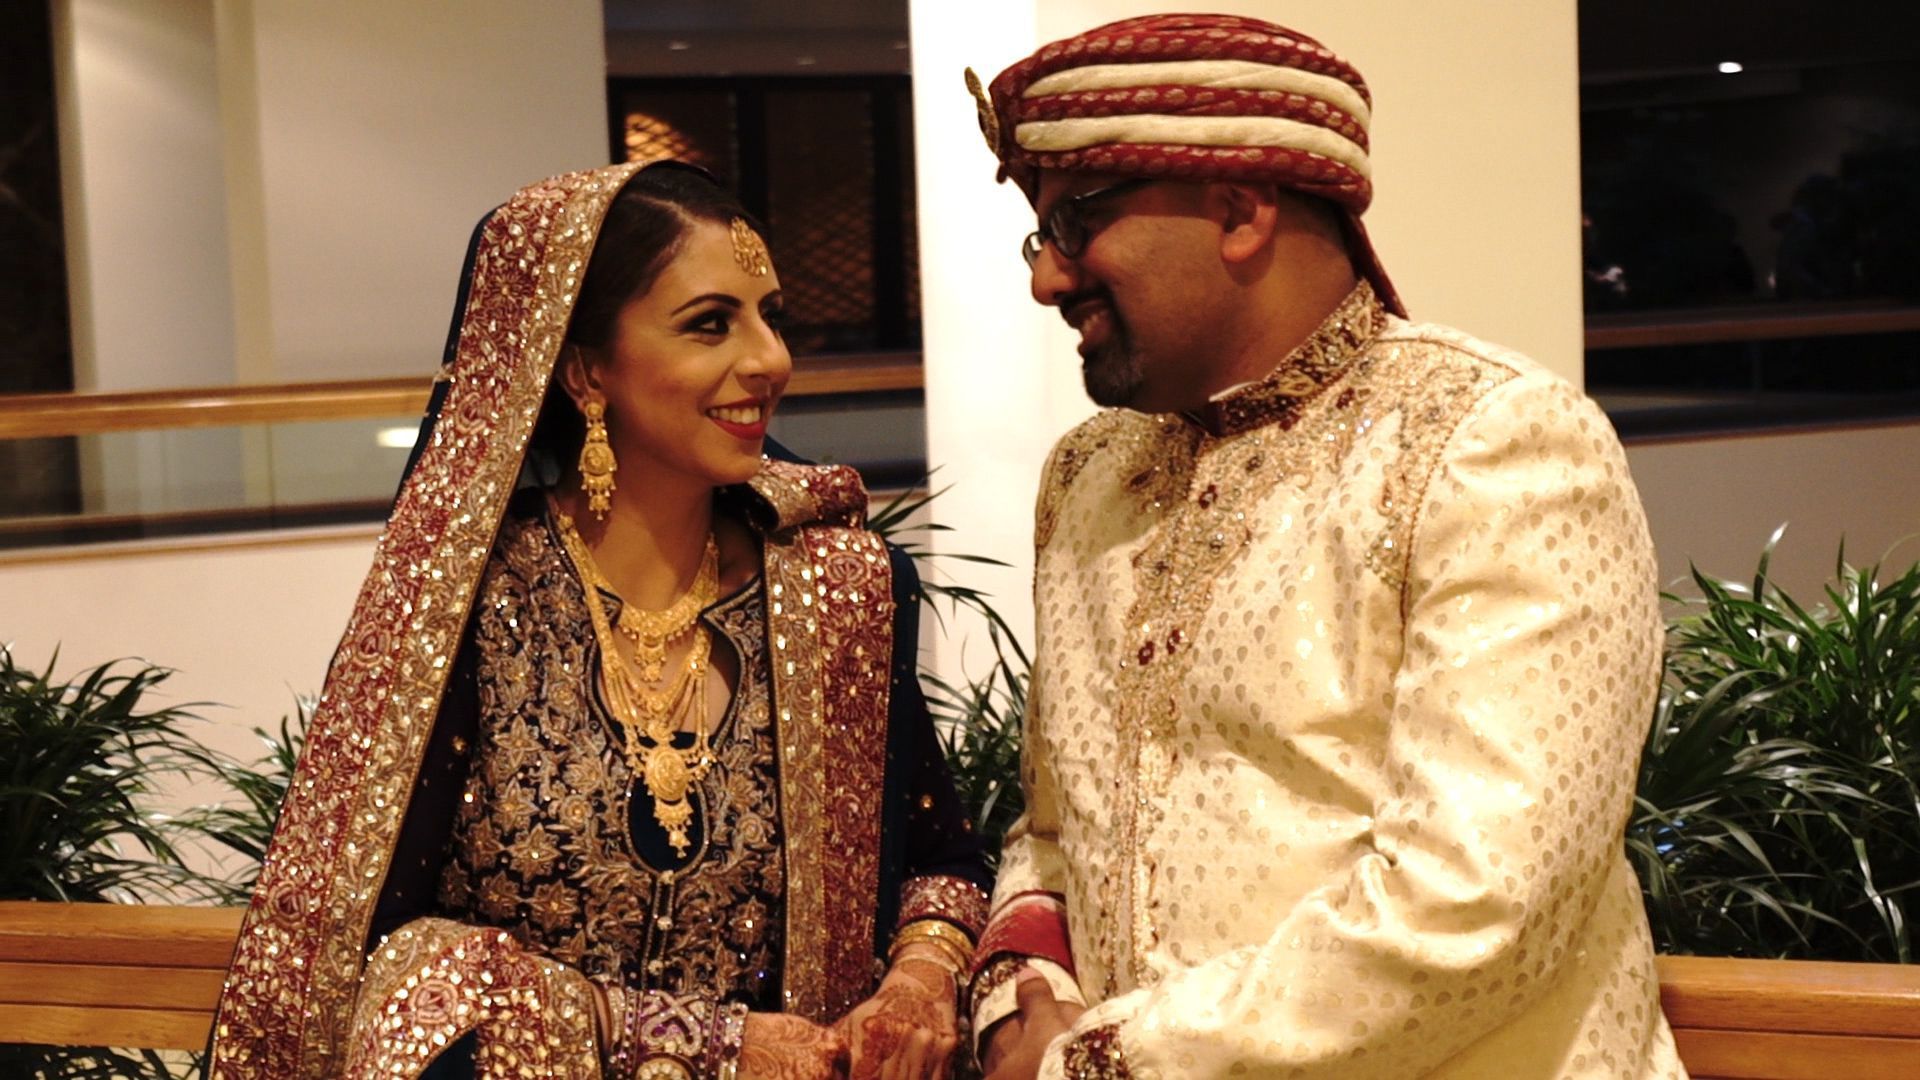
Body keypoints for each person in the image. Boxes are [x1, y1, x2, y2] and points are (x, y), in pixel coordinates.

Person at [961, 14, 1686, 1079]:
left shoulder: (1491, 443)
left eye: (1078, 222)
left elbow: (1476, 906)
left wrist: (1103, 1061)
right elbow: (1056, 834)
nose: (1049, 281)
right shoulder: (1090, 477)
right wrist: (1022, 996)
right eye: (1041, 237)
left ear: (1240, 210)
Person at [209, 160, 990, 1080]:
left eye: (770, 316)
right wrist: (704, 1049)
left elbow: (942, 863)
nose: (770, 359)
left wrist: (920, 979)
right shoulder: (465, 603)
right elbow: (376, 958)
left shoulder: (839, 591)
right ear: (584, 369)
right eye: (711, 324)